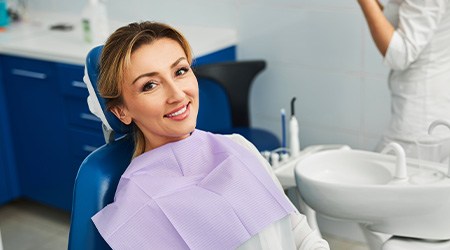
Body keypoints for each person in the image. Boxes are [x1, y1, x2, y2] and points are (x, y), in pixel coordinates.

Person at [91, 21, 329, 250]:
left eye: (180, 71)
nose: (177, 94)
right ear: (121, 111)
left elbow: (297, 229)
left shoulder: (238, 148)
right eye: (150, 85)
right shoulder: (138, 208)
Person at [357, 0, 450, 160]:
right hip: (429, 109)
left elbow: (400, 54)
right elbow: (399, 25)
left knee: (381, 177)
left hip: (420, 119)